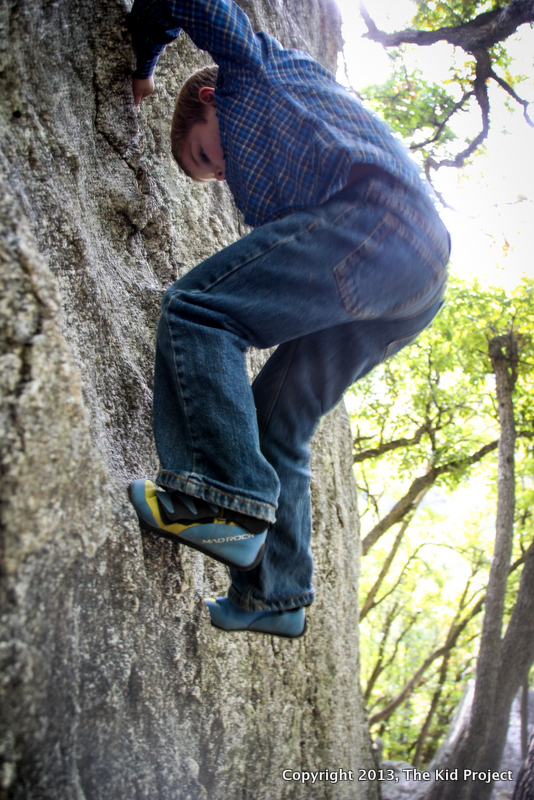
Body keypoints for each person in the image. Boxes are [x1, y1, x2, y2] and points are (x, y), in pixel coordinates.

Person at [127, 0, 450, 638]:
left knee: (198, 310)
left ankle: (219, 503)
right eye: (210, 174)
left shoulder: (250, 68)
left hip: (382, 223)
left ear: (211, 99)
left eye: (204, 154)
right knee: (280, 419)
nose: (219, 172)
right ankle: (275, 596)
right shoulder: (270, 192)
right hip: (412, 285)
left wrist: (143, 60)